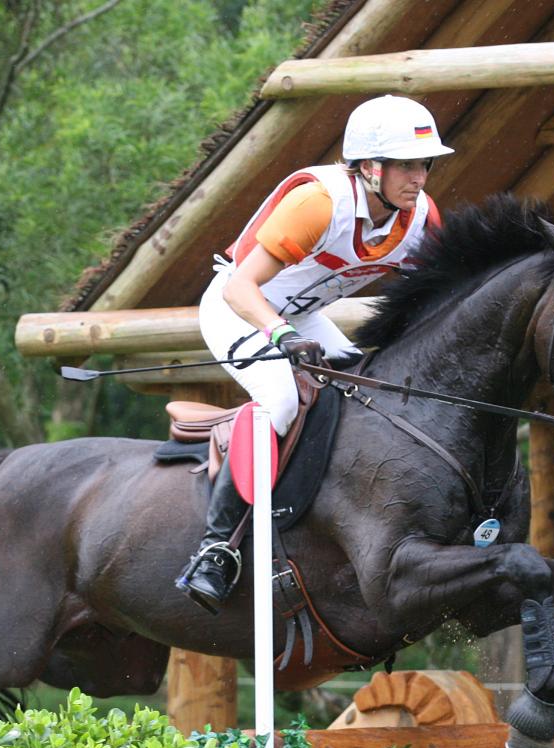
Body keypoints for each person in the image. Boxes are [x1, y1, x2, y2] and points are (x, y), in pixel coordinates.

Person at [176, 94, 454, 613]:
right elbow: (241, 289)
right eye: (407, 165)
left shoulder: (419, 218)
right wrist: (279, 337)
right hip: (239, 308)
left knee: (370, 387)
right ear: (371, 167)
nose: (419, 177)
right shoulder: (320, 204)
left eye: (424, 165)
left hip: (300, 315)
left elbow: (433, 295)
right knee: (281, 400)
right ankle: (215, 549)